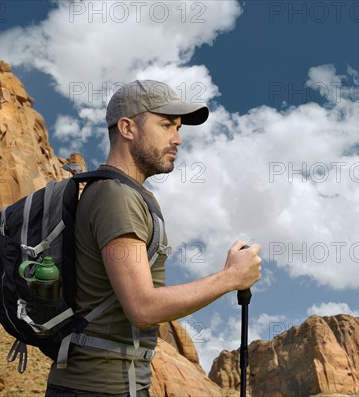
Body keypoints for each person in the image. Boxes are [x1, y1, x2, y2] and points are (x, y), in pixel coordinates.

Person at [45, 80, 262, 396]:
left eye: (178, 127)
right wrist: (231, 278)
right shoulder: (115, 196)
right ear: (127, 128)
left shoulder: (123, 193)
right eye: (166, 126)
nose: (178, 139)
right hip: (99, 389)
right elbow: (142, 307)